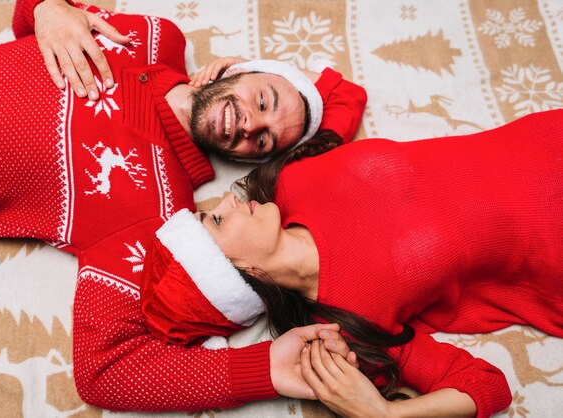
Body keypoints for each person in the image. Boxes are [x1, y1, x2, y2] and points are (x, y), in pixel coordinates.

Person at [0, 0, 368, 412]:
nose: (251, 124)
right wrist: (48, 8)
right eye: (263, 100)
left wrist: (263, 369)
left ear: (247, 160)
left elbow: (105, 370)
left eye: (263, 142)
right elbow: (346, 94)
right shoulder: (157, 38)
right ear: (239, 68)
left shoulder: (158, 218)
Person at [142, 109, 563, 417]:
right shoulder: (348, 326)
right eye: (217, 220)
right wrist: (384, 414)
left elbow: (325, 100)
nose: (229, 200)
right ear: (239, 274)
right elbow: (486, 386)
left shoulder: (288, 180)